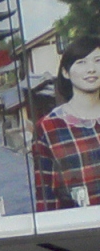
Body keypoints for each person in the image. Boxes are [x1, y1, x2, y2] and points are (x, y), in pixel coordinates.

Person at [34, 36, 100, 210]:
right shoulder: (49, 127)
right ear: (65, 72)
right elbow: (46, 196)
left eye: (98, 61)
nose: (91, 69)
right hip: (82, 224)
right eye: (81, 62)